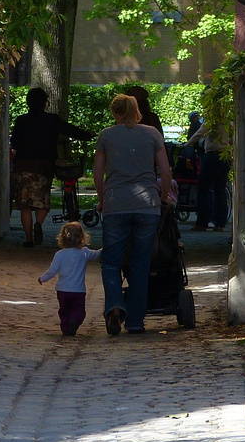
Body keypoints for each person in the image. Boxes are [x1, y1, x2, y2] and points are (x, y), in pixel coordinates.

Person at [93, 94, 174, 335]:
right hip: (147, 205)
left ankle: (115, 306)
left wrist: (102, 199)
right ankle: (136, 321)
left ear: (114, 112)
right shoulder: (151, 134)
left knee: (111, 262)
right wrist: (163, 196)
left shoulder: (106, 135)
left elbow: (98, 172)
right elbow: (165, 171)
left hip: (116, 205)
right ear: (136, 110)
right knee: (141, 264)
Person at [10, 87, 94, 247]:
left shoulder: (21, 120)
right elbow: (69, 129)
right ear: (44, 103)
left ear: (28, 102)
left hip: (23, 165)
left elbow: (14, 143)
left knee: (25, 205)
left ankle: (28, 240)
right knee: (42, 200)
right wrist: (87, 135)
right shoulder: (52, 120)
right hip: (43, 166)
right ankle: (39, 224)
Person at [37, 221, 101, 337]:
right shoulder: (84, 253)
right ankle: (74, 321)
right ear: (82, 237)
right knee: (79, 310)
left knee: (64, 310)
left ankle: (66, 328)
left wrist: (42, 278)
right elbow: (97, 255)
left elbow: (52, 270)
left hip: (62, 290)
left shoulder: (60, 254)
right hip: (78, 290)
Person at [188, 117, 230, 232]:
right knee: (220, 190)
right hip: (225, 155)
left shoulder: (213, 118)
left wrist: (187, 144)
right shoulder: (228, 120)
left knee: (203, 189)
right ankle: (220, 223)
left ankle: (202, 222)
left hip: (212, 155)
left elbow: (200, 133)